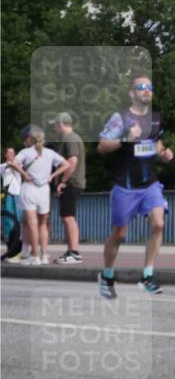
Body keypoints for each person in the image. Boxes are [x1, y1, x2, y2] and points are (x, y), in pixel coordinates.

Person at [97, 76, 174, 299]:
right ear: (132, 93)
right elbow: (102, 146)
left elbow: (156, 143)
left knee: (158, 223)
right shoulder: (120, 118)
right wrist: (125, 139)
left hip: (150, 184)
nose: (147, 91)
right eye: (141, 87)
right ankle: (107, 275)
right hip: (126, 186)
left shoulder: (156, 118)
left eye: (150, 87)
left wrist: (163, 153)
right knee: (119, 234)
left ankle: (147, 276)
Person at [10, 126, 71, 265]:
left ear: (30, 139)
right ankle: (44, 256)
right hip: (44, 190)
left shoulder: (26, 152)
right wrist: (52, 176)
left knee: (32, 223)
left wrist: (24, 174)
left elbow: (13, 163)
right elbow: (66, 164)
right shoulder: (49, 152)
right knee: (43, 224)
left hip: (29, 188)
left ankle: (34, 256)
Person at [50, 112, 86, 265]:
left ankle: (74, 252)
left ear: (60, 124)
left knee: (68, 216)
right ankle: (71, 251)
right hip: (72, 182)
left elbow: (72, 161)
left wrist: (63, 181)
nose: (54, 128)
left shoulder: (71, 139)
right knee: (67, 216)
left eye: (55, 125)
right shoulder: (71, 138)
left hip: (71, 182)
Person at [1, 146, 24, 261]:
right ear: (5, 155)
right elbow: (10, 165)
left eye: (13, 153)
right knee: (9, 223)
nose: (12, 155)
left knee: (19, 222)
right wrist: (16, 164)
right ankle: (10, 250)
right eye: (10, 153)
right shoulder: (2, 166)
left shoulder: (19, 165)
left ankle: (17, 251)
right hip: (9, 195)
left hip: (19, 195)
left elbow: (20, 168)